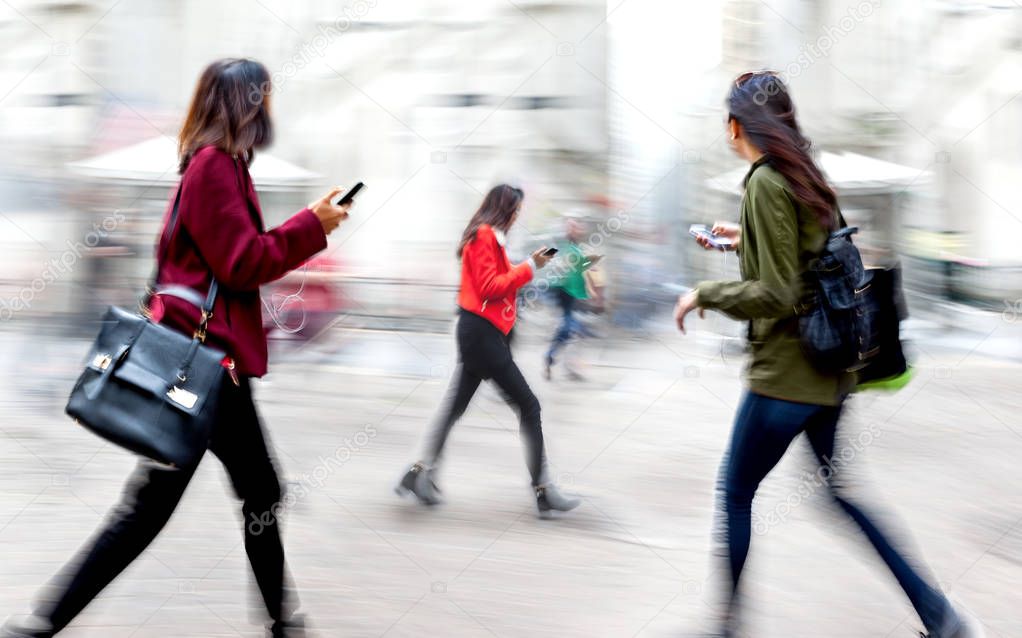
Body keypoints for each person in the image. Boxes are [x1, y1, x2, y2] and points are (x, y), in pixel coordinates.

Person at [1, 58, 351, 638]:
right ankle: (42, 623)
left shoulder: (225, 165)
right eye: (261, 98)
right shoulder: (214, 167)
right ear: (246, 104)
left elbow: (236, 253)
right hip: (204, 372)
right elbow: (241, 263)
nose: (267, 109)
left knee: (239, 493)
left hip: (210, 369)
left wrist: (309, 223)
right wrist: (311, 226)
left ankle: (282, 623)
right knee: (177, 505)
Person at [673, 71, 981, 638]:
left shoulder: (765, 182)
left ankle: (724, 628)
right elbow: (810, 256)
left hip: (787, 376)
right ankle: (940, 615)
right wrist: (741, 238)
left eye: (727, 118)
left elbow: (777, 292)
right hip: (832, 374)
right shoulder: (805, 175)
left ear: (738, 125)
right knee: (839, 493)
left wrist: (703, 294)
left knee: (735, 491)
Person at [396, 184, 581, 516]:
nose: (517, 216)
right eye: (516, 210)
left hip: (481, 333)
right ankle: (543, 491)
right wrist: (528, 268)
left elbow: (498, 279)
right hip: (481, 334)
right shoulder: (484, 236)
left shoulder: (490, 238)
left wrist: (530, 265)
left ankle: (418, 474)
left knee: (454, 408)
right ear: (504, 208)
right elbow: (489, 287)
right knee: (529, 405)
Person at [543, 216, 601, 381]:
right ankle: (558, 360)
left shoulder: (575, 248)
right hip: (559, 290)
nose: (577, 230)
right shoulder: (560, 245)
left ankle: (552, 356)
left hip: (569, 293)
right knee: (569, 326)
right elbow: (546, 260)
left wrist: (590, 267)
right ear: (566, 229)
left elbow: (580, 266)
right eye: (573, 227)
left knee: (567, 329)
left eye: (578, 227)